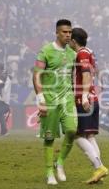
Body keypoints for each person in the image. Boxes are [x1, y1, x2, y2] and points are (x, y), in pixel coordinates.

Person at [32, 19, 77, 185]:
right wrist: (40, 99)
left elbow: (75, 76)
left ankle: (60, 163)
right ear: (57, 33)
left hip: (68, 100)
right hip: (50, 100)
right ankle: (49, 172)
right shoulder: (45, 51)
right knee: (49, 138)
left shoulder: (72, 54)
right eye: (64, 32)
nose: (68, 35)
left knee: (72, 131)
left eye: (70, 32)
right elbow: (36, 75)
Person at [69, 27, 109, 184]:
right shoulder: (90, 52)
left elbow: (86, 75)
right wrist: (100, 83)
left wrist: (84, 96)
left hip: (83, 99)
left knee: (77, 135)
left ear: (74, 41)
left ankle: (99, 167)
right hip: (94, 98)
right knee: (89, 136)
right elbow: (96, 70)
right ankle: (99, 171)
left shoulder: (82, 54)